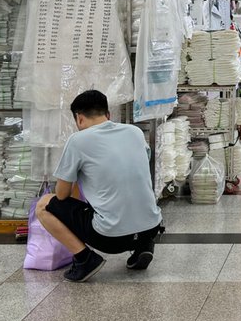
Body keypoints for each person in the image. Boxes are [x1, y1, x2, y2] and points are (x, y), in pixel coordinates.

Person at [35, 89, 164, 282]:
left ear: (79, 118)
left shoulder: (78, 140)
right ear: (108, 114)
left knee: (44, 204)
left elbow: (62, 195)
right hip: (151, 228)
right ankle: (142, 248)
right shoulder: (135, 132)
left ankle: (85, 259)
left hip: (110, 239)